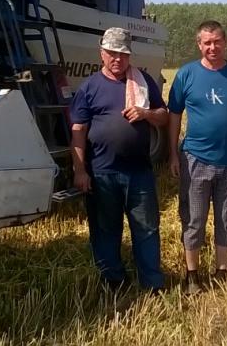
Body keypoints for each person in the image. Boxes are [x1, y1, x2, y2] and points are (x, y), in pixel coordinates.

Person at [70, 27, 169, 293]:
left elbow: (163, 116)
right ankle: (114, 282)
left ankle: (152, 284)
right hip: (102, 172)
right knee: (106, 230)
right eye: (112, 53)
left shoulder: (142, 82)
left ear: (129, 56)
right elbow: (78, 131)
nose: (117, 59)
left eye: (123, 54)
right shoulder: (89, 87)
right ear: (101, 53)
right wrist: (80, 170)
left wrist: (146, 113)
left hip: (139, 172)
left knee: (147, 229)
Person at [168, 20, 227, 295]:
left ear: (225, 42)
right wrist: (173, 154)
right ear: (199, 44)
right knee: (193, 218)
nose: (212, 47)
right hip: (195, 159)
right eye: (207, 42)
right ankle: (192, 274)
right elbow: (174, 116)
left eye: (217, 41)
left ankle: (222, 271)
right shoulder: (186, 74)